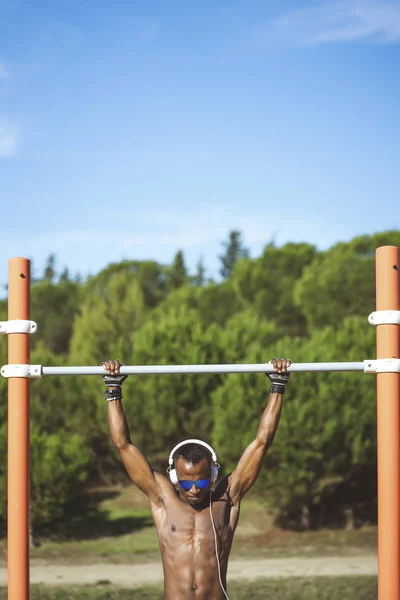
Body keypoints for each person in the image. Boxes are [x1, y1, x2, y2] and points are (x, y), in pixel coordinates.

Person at [102, 357, 291, 600]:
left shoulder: (227, 498)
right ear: (174, 477)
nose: (193, 489)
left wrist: (278, 384)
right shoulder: (163, 498)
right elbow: (122, 445)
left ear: (212, 476)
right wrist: (113, 388)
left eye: (201, 482)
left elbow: (263, 442)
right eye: (185, 482)